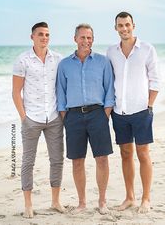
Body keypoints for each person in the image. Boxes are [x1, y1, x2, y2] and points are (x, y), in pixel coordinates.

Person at [57, 23, 114, 215]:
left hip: (98, 114)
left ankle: (102, 201)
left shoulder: (103, 62)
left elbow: (109, 91)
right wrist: (66, 118)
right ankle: (81, 203)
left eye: (89, 38)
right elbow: (61, 94)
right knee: (77, 161)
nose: (86, 41)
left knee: (102, 159)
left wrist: (104, 115)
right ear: (75, 39)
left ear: (93, 39)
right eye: (82, 37)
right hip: (73, 116)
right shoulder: (64, 64)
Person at [107, 11, 160, 213]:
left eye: (127, 25)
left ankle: (146, 198)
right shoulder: (111, 52)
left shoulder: (147, 49)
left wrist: (150, 105)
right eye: (120, 26)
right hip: (120, 112)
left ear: (133, 25)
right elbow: (109, 80)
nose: (124, 29)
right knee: (125, 153)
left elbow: (155, 79)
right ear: (116, 28)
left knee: (143, 153)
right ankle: (130, 197)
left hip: (141, 110)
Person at [12, 22, 64, 218]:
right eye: (40, 34)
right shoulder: (22, 60)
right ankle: (28, 204)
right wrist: (24, 118)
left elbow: (62, 87)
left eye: (47, 35)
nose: (44, 37)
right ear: (32, 37)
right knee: (28, 162)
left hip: (53, 117)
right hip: (31, 118)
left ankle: (56, 201)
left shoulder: (57, 59)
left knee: (57, 160)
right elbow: (16, 92)